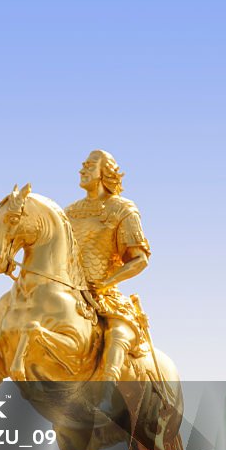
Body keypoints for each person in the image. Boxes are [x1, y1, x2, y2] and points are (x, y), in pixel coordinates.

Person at [65, 150, 150, 380]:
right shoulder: (69, 212)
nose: (82, 169)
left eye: (89, 165)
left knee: (116, 334)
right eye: (82, 165)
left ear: (106, 172)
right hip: (68, 291)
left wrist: (106, 283)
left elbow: (140, 259)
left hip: (103, 293)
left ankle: (107, 388)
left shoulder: (123, 209)